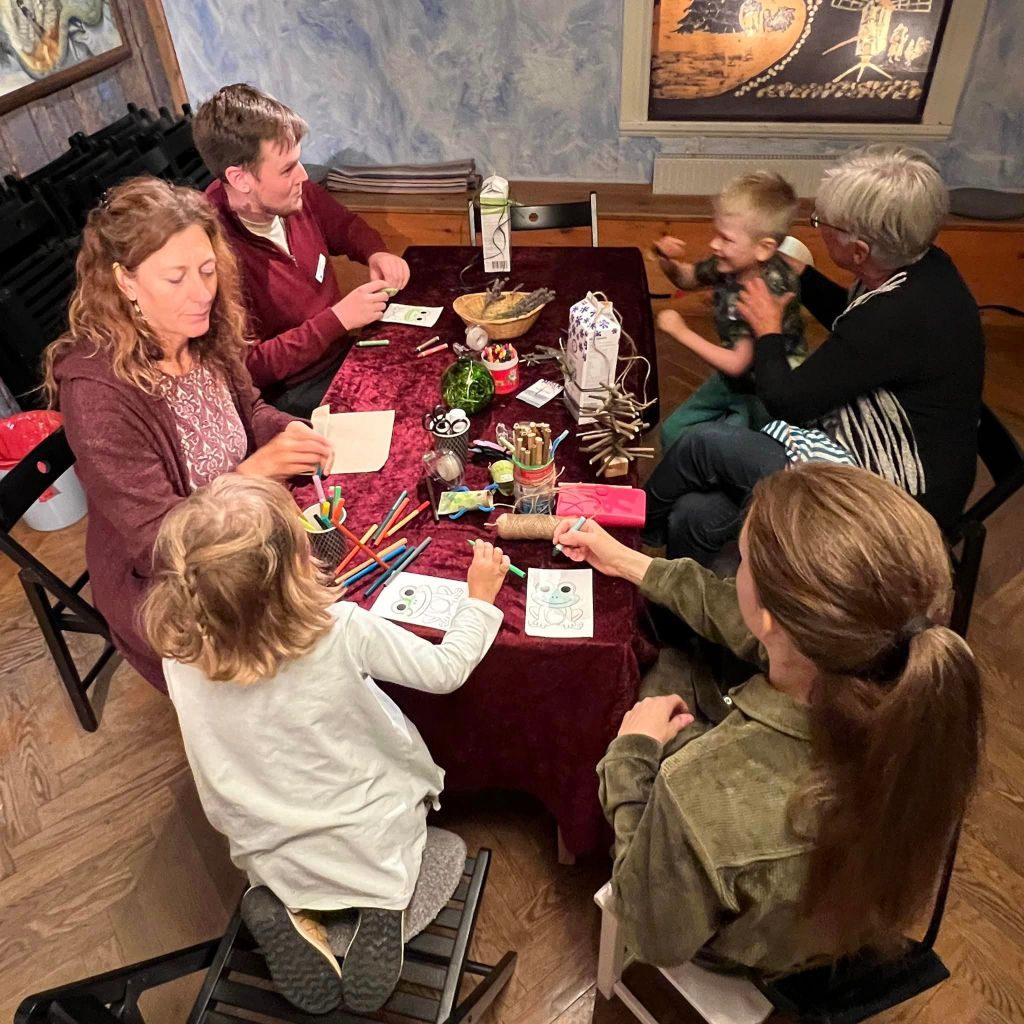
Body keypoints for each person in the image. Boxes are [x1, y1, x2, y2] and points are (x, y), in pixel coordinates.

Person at [553, 463, 983, 975]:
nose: (732, 571)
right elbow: (739, 618)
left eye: (742, 561)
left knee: (662, 676)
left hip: (748, 948)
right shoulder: (926, 695)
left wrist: (631, 759)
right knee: (682, 664)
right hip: (839, 918)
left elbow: (651, 935)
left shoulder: (696, 792)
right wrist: (628, 562)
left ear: (772, 619)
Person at [141, 473, 510, 1014]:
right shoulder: (338, 627)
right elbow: (445, 670)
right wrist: (478, 599)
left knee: (283, 850)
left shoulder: (179, 654)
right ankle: (384, 903)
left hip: (265, 837)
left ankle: (286, 905)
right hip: (365, 827)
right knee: (394, 833)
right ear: (295, 569)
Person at [43, 177, 332, 691]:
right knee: (316, 658)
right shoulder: (97, 393)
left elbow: (250, 410)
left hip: (249, 532)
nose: (201, 293)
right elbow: (157, 543)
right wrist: (251, 474)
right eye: (176, 278)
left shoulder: (203, 330)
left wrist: (288, 429)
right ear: (125, 282)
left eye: (207, 270)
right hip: (175, 585)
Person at [645, 145, 984, 564]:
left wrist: (768, 330)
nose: (817, 229)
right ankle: (686, 598)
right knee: (692, 515)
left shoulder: (897, 315)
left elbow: (788, 401)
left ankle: (626, 529)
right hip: (863, 449)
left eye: (824, 223)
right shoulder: (917, 267)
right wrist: (802, 275)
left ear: (859, 252)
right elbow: (854, 320)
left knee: (702, 444)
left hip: (886, 501)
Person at [193, 84, 411, 416]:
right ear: (239, 179)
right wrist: (337, 320)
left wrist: (376, 253)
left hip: (343, 355)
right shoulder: (210, 250)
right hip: (292, 394)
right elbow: (249, 368)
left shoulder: (294, 195)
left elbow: (344, 227)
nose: (304, 176)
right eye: (287, 169)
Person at [653, 172, 804, 449]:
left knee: (722, 449)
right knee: (674, 431)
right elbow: (687, 278)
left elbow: (738, 363)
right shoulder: (733, 265)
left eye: (726, 239)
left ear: (763, 249)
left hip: (764, 393)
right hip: (733, 381)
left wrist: (680, 332)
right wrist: (667, 261)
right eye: (717, 234)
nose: (714, 244)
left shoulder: (766, 292)